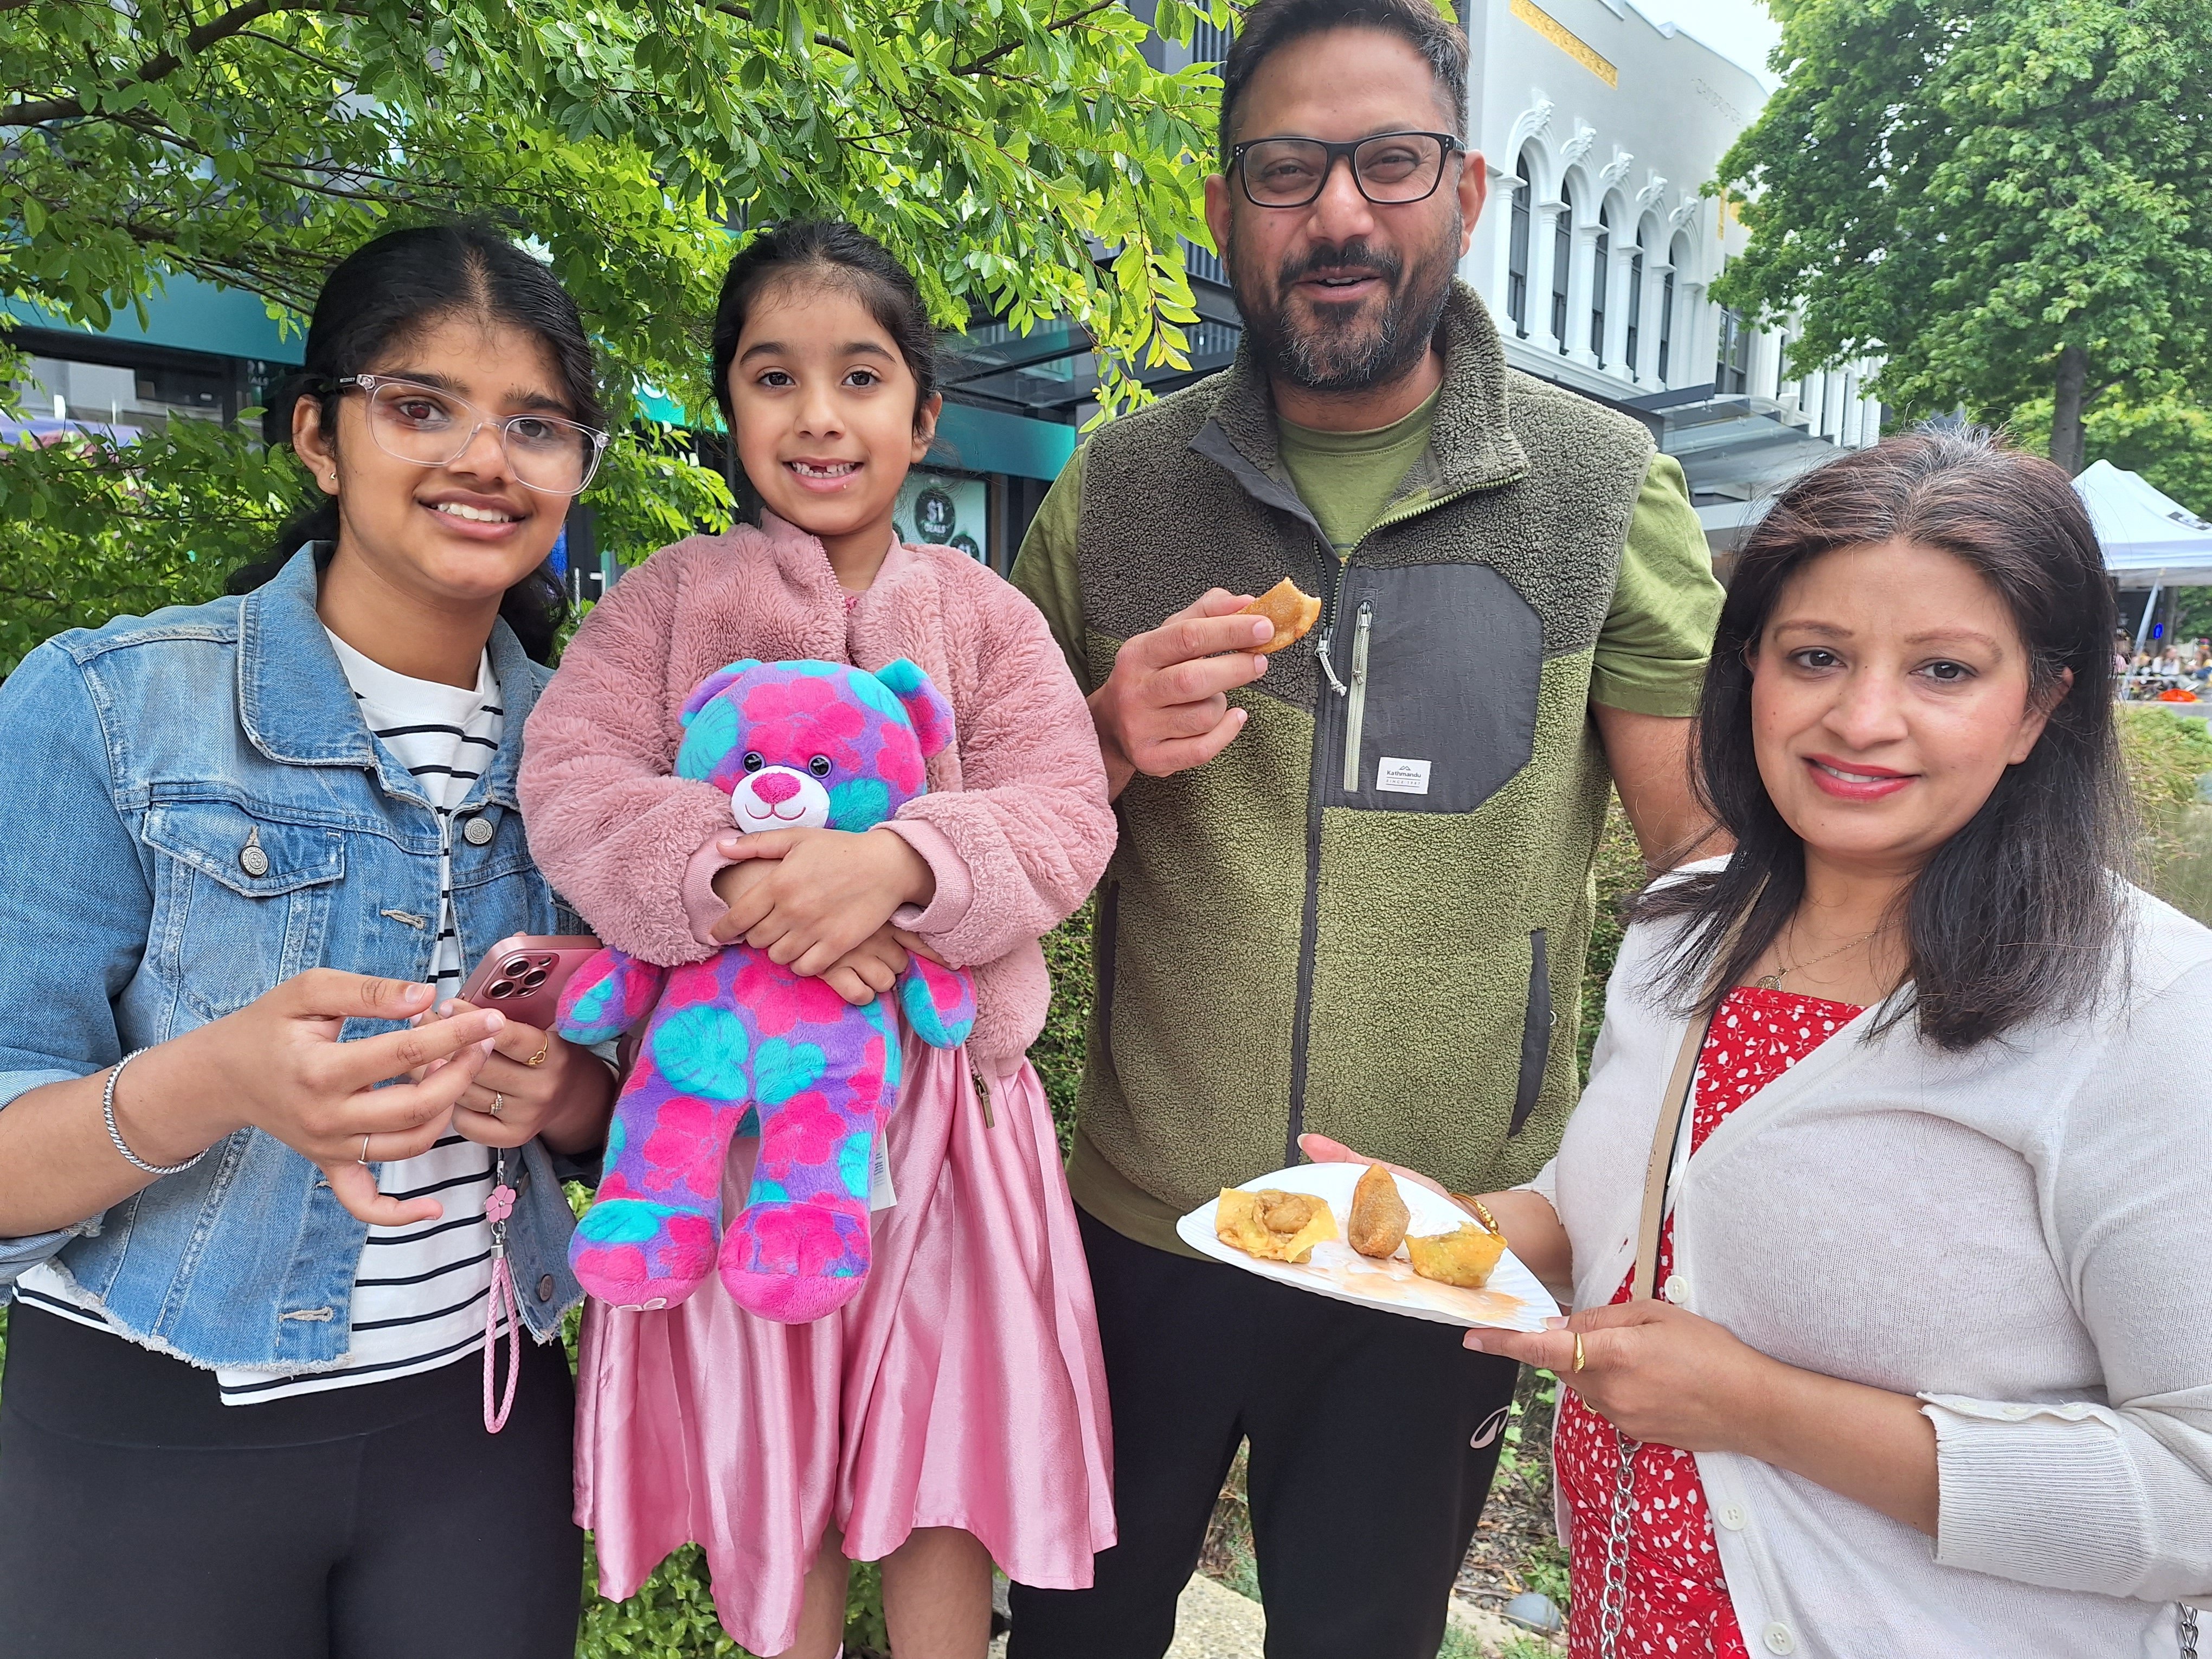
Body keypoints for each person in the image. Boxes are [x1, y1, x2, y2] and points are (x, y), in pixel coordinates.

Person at [1005, 1, 1724, 1652]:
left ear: (1467, 189)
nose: (1338, 212)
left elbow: (1702, 873)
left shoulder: (1600, 482)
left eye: (1389, 162)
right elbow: (985, 826)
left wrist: (1638, 1204)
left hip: (1444, 1239)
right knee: (1073, 1630)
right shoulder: (1114, 487)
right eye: (1286, 169)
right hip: (1141, 1226)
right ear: (1223, 211)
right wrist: (1106, 734)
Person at [1450, 429, 2212, 1657]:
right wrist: (1441, 1236)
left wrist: (1762, 1411)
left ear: (2044, 704)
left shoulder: (2151, 1014)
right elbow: (1653, 1217)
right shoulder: (1678, 928)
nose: (1862, 719)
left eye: (1946, 671)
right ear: (1747, 668)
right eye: (1816, 656)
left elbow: (2199, 1494)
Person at [0, 223, 619, 1658]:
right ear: (317, 436)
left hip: (484, 1424)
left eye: (535, 424)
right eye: (421, 406)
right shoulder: (108, 709)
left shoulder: (604, 762)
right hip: (150, 1438)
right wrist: (218, 1078)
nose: (485, 457)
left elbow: (653, 1100)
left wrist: (572, 1098)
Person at [519, 220, 1117, 1659]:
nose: (819, 415)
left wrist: (903, 862)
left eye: (860, 377)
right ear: (729, 407)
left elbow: (1062, 811)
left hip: (951, 1122)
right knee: (773, 1467)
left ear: (923, 411)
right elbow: (574, 782)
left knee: (943, 1464)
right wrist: (741, 888)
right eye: (773, 377)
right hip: (737, 1128)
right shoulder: (667, 603)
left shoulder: (987, 617)